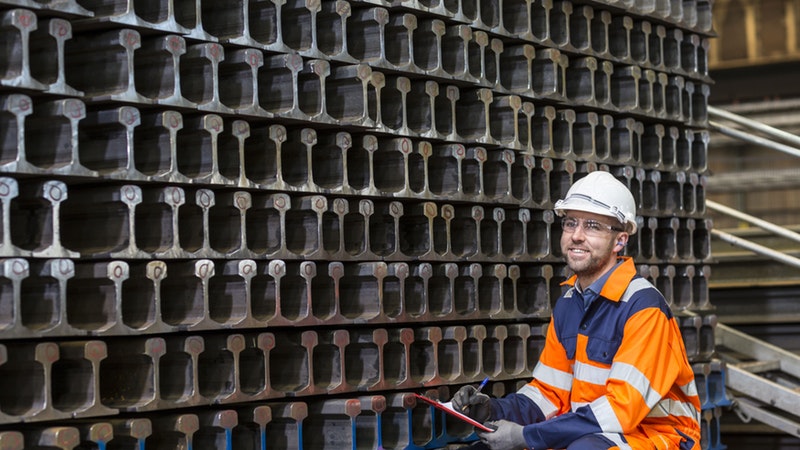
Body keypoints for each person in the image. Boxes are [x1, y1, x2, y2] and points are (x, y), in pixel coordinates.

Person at [451, 171, 701, 449]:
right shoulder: (569, 304)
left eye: (592, 226)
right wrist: (494, 409)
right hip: (593, 433)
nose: (577, 236)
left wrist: (526, 436)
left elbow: (620, 410)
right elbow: (549, 394)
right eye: (571, 223)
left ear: (620, 241)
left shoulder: (643, 308)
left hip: (659, 437)